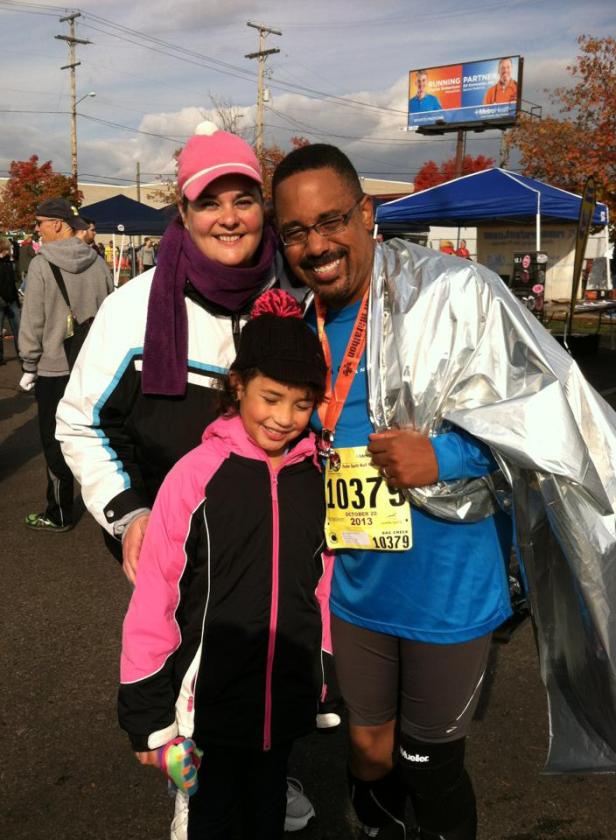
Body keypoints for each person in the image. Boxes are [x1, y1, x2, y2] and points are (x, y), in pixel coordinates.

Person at [272, 143, 616, 838]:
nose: (317, 244)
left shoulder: (456, 294)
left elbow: (552, 420)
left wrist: (445, 454)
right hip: (355, 588)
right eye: (297, 232)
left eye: (331, 220)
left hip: (448, 591)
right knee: (367, 756)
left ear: (366, 214)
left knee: (428, 763)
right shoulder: (289, 325)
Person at [56, 121, 316, 830]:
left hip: (277, 543)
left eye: (244, 198)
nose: (228, 217)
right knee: (188, 705)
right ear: (184, 213)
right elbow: (79, 422)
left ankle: (267, 772)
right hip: (181, 550)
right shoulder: (133, 308)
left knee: (273, 669)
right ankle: (194, 801)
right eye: (210, 202)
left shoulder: (297, 296)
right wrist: (131, 514)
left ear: (264, 207)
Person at [119, 289, 327, 840]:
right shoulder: (195, 475)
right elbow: (156, 593)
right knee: (210, 818)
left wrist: (326, 672)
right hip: (206, 700)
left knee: (266, 811)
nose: (285, 418)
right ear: (238, 386)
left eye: (303, 403)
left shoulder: (316, 476)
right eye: (272, 397)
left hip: (284, 695)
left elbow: (323, 581)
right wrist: (147, 710)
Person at [18, 198, 113, 532]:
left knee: (54, 438)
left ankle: (59, 511)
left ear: (58, 224)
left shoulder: (42, 265)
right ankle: (109, 505)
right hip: (94, 368)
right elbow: (110, 315)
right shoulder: (98, 263)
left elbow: (33, 322)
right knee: (97, 436)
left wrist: (28, 364)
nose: (38, 230)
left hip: (53, 368)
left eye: (40, 223)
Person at [0, 236, 21, 365]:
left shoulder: (9, 262)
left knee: (18, 329)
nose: (10, 250)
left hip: (12, 301)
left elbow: (12, 283)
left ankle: (22, 354)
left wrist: (16, 300)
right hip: (1, 302)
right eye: (8, 248)